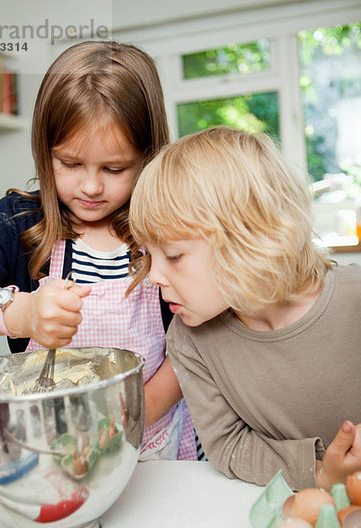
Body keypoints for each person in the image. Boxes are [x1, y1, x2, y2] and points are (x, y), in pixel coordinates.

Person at [0, 41, 198, 461]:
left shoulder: (168, 225)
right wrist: (23, 314)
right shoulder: (17, 224)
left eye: (114, 168)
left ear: (148, 156)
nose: (90, 187)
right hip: (53, 450)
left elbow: (196, 346)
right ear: (44, 149)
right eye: (70, 163)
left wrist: (122, 424)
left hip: (154, 441)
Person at [128, 125, 361, 490]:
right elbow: (230, 445)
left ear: (247, 239)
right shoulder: (190, 340)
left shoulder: (355, 298)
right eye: (146, 255)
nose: (153, 276)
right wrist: (320, 474)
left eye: (173, 255)